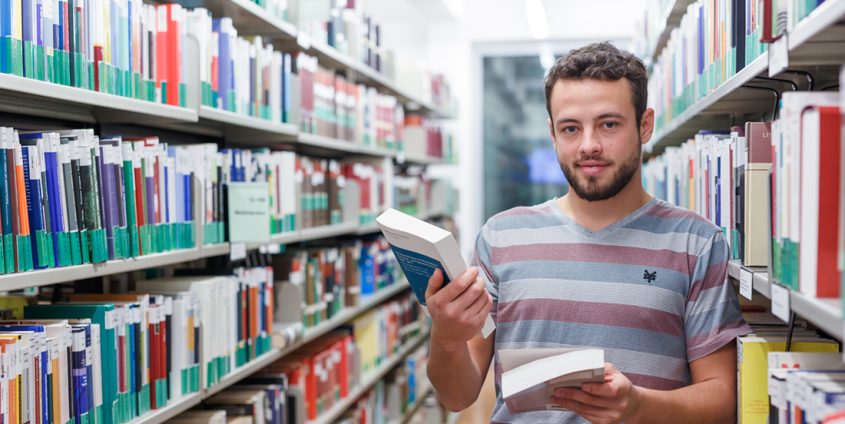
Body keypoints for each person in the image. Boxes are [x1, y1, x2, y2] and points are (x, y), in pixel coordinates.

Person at [424, 41, 751, 423]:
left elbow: (723, 398)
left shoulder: (696, 243)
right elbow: (457, 396)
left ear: (645, 125)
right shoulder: (501, 238)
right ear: (552, 133)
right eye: (571, 129)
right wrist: (446, 338)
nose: (589, 145)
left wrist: (639, 406)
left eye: (609, 124)